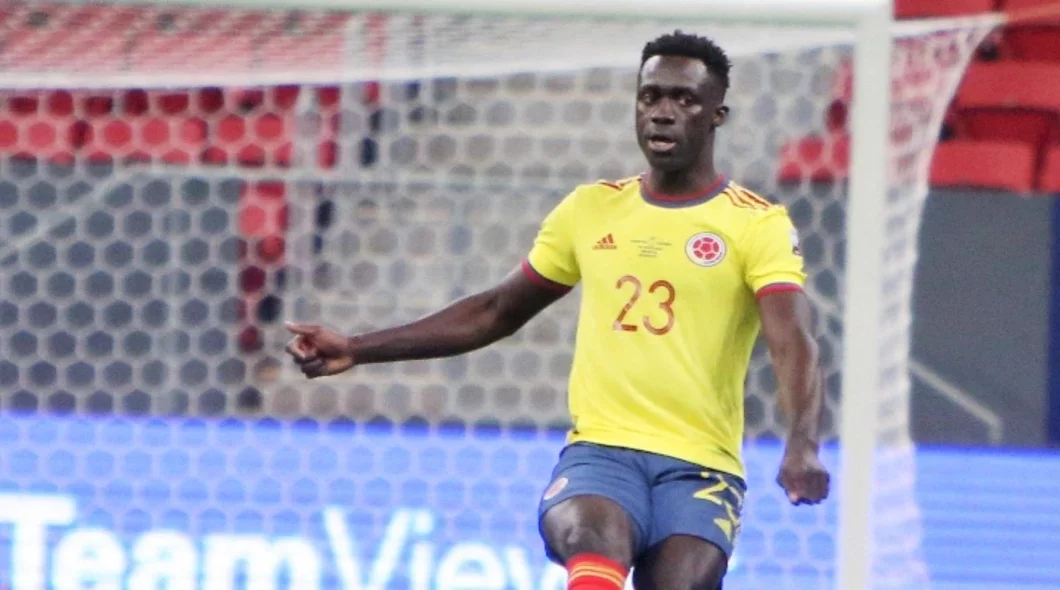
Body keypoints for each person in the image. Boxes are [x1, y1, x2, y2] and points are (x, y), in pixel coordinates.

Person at [285, 30, 830, 590]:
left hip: (701, 468)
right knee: (591, 545)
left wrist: (802, 446)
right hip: (601, 455)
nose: (662, 114)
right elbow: (495, 311)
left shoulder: (755, 224)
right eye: (650, 98)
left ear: (718, 114)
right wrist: (356, 347)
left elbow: (793, 340)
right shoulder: (591, 210)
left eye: (683, 100)